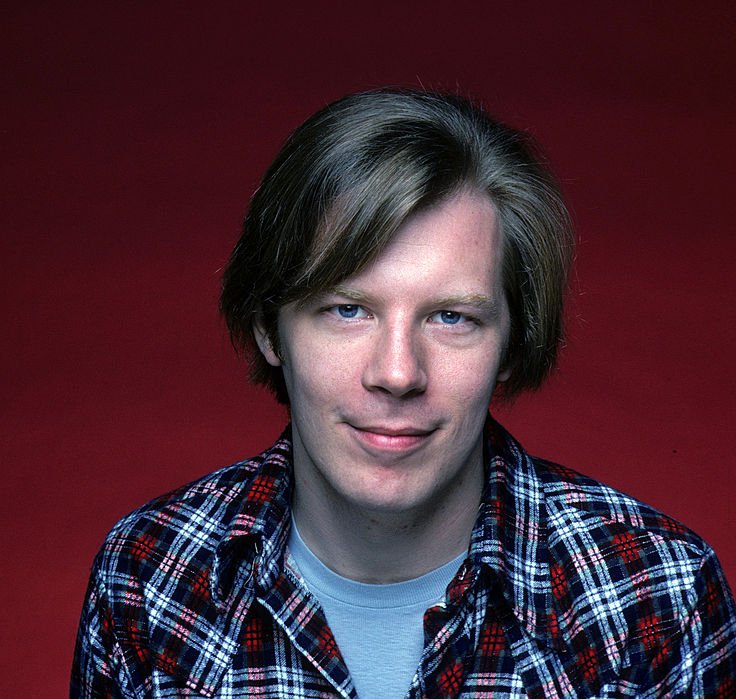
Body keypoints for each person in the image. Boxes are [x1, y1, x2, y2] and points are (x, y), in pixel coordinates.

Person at [70, 89, 736, 697]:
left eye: (451, 316)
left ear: (511, 339)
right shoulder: (150, 578)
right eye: (347, 309)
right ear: (268, 328)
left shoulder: (655, 593)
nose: (396, 372)